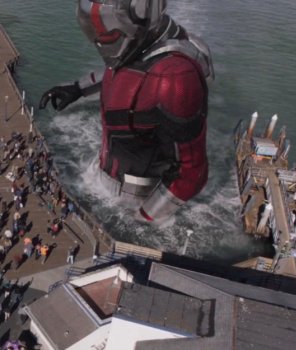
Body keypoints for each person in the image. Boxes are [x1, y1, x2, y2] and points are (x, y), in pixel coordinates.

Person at [39, 0, 213, 222]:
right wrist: (77, 89)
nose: (102, 43)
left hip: (138, 196)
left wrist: (145, 217)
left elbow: (192, 172)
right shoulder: (142, 46)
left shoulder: (174, 76)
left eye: (109, 35)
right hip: (110, 175)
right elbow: (121, 71)